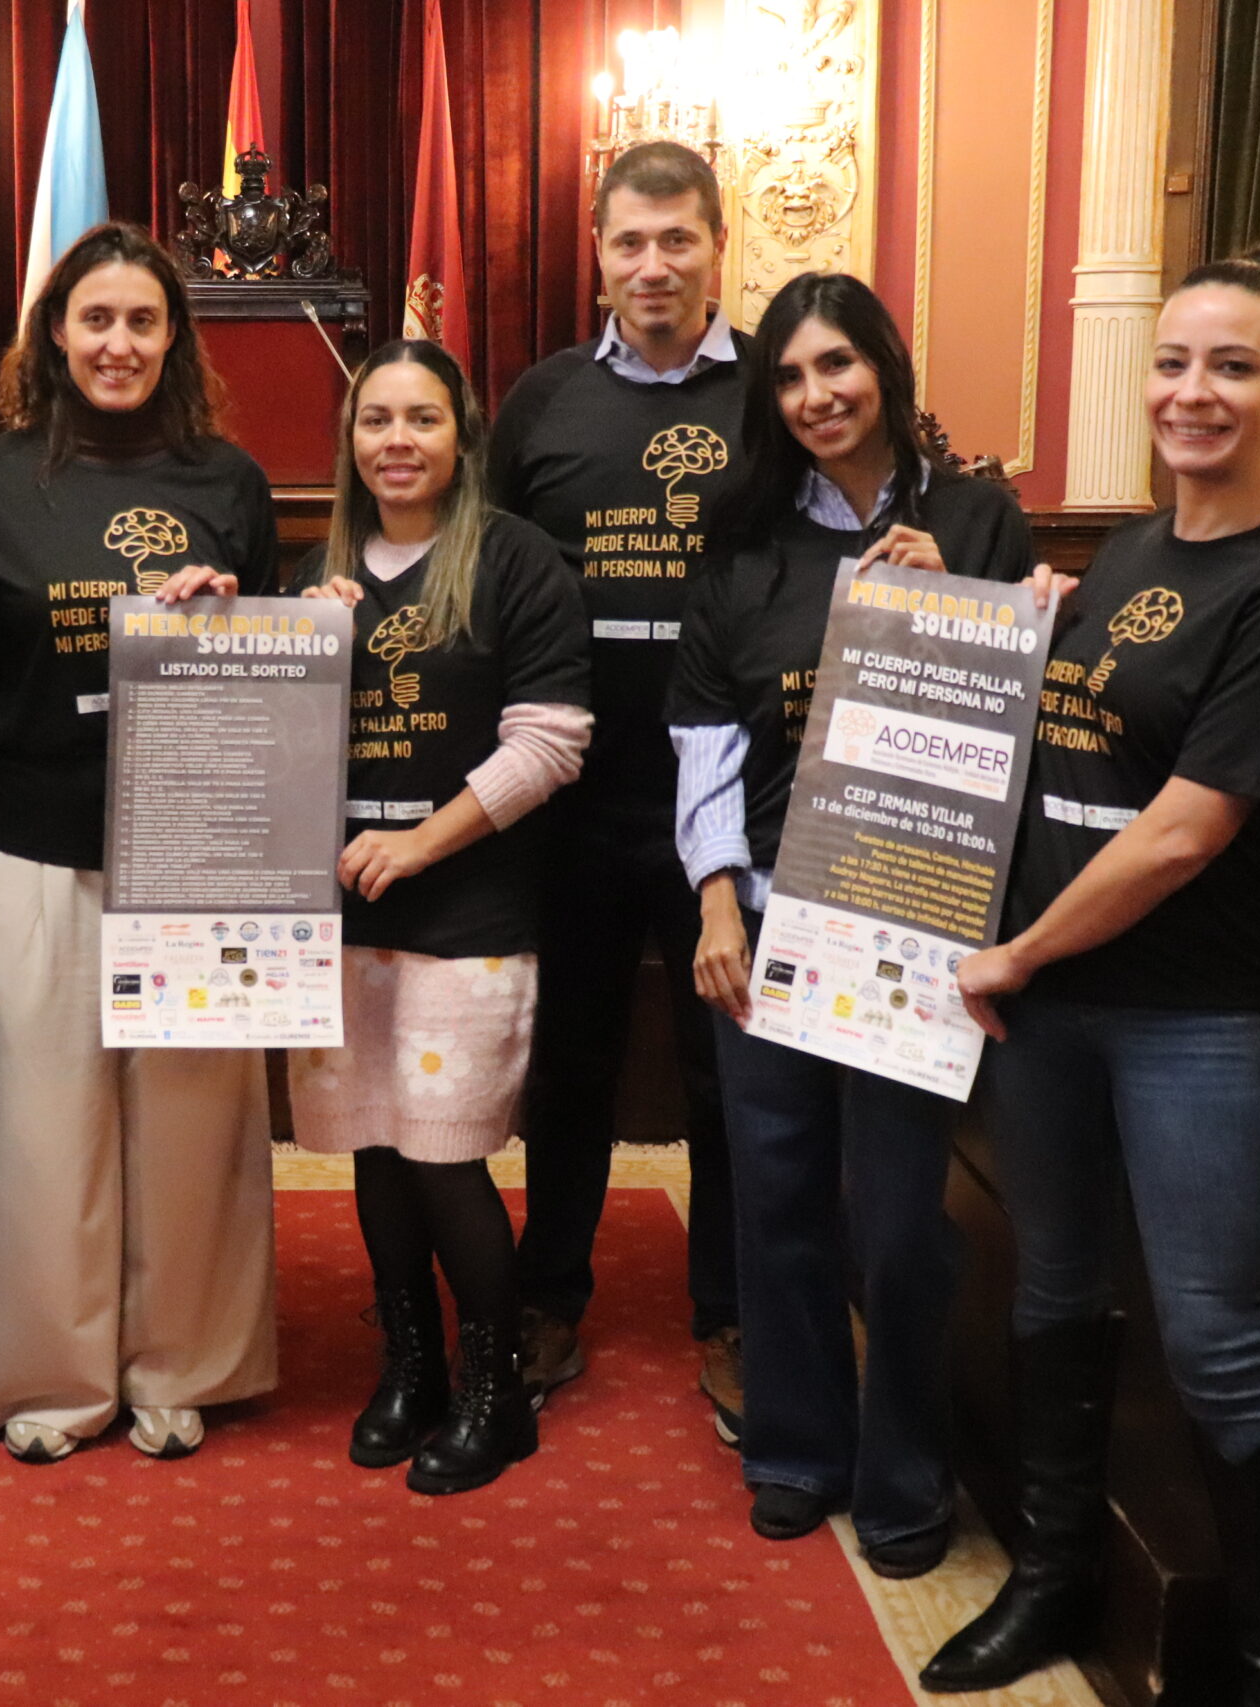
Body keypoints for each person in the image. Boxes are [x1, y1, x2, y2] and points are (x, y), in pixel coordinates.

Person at [922, 250, 1260, 1704]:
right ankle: (1053, 1579)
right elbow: (1076, 738)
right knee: (1053, 1292)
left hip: (1191, 1020)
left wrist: (1015, 952)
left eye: (1233, 367)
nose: (1192, 392)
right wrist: (989, 620)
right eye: (1174, 361)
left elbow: (1183, 832)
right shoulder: (1127, 556)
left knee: (1219, 1345)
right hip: (1056, 1011)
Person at [667, 270, 1035, 1579]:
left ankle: (907, 1470)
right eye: (789, 375)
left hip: (915, 930)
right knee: (775, 1197)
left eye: (838, 364)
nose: (817, 395)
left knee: (898, 1221)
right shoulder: (745, 536)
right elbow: (704, 735)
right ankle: (796, 1448)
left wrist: (963, 603)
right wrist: (714, 896)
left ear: (884, 363)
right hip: (772, 920)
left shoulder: (977, 518)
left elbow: (1028, 720)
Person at [0, 222, 280, 1464]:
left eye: (142, 321)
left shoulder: (229, 482)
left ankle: (182, 1366)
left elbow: (272, 676)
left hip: (195, 852)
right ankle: (55, 1376)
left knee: (193, 1125)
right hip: (34, 843)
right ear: (55, 334)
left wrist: (233, 617)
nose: (118, 344)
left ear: (174, 337)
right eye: (96, 320)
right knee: (44, 1126)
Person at [290, 340, 591, 1494]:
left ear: (463, 434)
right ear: (349, 440)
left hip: (468, 910)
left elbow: (551, 744)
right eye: (375, 421)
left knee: (446, 1154)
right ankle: (409, 1369)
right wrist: (295, 649)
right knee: (375, 1144)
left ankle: (492, 1390)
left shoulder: (515, 558)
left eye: (422, 418)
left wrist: (420, 842)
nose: (397, 441)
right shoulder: (317, 572)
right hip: (341, 914)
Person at [490, 140, 745, 1431]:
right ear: (597, 254)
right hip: (575, 801)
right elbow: (478, 566)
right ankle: (548, 1298)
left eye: (677, 239)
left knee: (726, 1073)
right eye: (630, 242)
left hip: (730, 806)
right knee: (571, 1067)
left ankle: (734, 1315)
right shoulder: (541, 400)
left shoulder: (776, 391)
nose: (653, 265)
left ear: (718, 248)